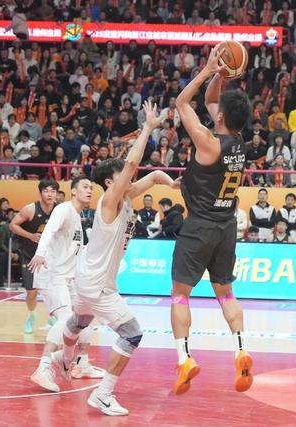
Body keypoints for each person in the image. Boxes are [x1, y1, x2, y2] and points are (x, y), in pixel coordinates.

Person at [59, 101, 179, 416]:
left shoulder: (124, 195)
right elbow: (133, 163)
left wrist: (171, 183)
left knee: (79, 321)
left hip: (87, 277)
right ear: (110, 183)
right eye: (123, 174)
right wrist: (148, 128)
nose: (130, 174)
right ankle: (103, 394)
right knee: (132, 333)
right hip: (97, 284)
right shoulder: (110, 200)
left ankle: (65, 357)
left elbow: (154, 175)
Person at [169, 45, 253, 396]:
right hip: (226, 227)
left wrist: (206, 70)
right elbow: (211, 101)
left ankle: (184, 359)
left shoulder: (207, 141)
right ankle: (241, 350)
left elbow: (182, 103)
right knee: (226, 293)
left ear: (220, 118)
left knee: (180, 295)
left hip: (200, 226)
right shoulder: (239, 141)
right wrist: (222, 74)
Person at [28, 176, 102, 393]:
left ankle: (81, 363)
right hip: (51, 273)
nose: (90, 190)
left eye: (91, 187)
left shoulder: (78, 217)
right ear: (73, 191)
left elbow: (76, 251)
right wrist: (40, 253)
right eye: (85, 187)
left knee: (84, 316)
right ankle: (44, 367)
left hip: (68, 277)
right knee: (65, 319)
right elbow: (49, 230)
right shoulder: (63, 210)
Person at [10, 179, 59, 334]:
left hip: (51, 257)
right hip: (30, 256)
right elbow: (13, 225)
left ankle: (53, 317)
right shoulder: (30, 209)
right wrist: (30, 235)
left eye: (53, 191)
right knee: (31, 293)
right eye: (46, 191)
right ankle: (32, 315)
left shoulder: (60, 210)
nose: (50, 194)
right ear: (40, 193)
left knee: (54, 292)